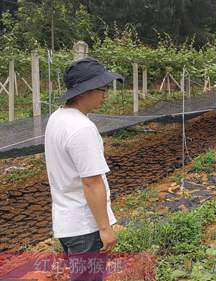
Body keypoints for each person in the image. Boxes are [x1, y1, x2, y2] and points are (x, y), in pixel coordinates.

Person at [44, 58, 123, 281]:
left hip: (66, 220)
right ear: (85, 91)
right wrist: (105, 229)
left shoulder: (57, 118)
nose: (106, 93)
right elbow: (91, 183)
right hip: (84, 226)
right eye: (102, 88)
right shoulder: (82, 129)